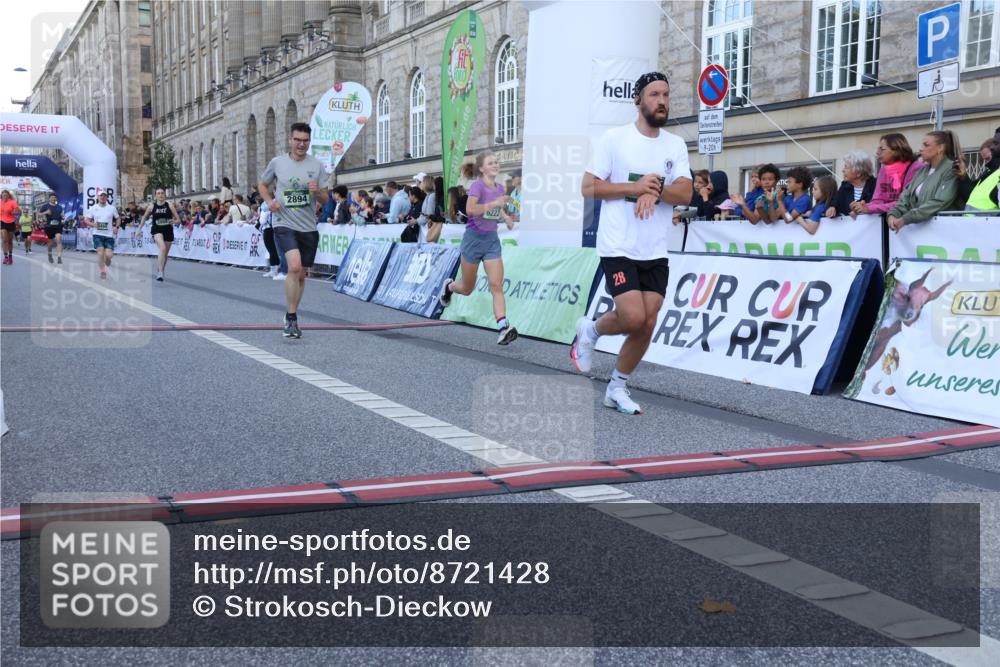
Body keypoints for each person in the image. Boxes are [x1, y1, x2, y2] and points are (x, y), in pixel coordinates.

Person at [572, 71, 693, 414]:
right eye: (654, 94)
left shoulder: (675, 145)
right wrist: (633, 187)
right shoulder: (615, 139)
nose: (662, 101)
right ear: (638, 100)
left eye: (666, 95)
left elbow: (684, 191)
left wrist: (654, 189)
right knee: (633, 316)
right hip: (619, 245)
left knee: (648, 321)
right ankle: (591, 330)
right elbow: (589, 187)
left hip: (654, 248)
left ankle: (617, 388)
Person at [439, 150, 519, 345]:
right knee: (467, 288)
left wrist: (507, 217)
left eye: (496, 162)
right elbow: (470, 210)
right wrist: (494, 203)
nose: (495, 165)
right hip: (473, 241)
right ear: (482, 168)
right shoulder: (477, 186)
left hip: (491, 240)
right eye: (491, 163)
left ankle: (503, 327)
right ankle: (449, 286)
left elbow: (497, 209)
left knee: (496, 285)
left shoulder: (500, 188)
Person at [258, 122, 328, 338]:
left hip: (307, 226)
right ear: (290, 140)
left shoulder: (316, 165)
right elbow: (262, 184)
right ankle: (291, 318)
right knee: (294, 266)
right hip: (283, 222)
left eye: (305, 141)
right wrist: (269, 201)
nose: (301, 144)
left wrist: (317, 192)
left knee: (302, 274)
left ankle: (292, 312)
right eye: (297, 140)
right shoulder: (278, 162)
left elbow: (325, 199)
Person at [887, 130, 961, 231]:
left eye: (926, 145)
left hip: (945, 231)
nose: (921, 149)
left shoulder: (951, 170)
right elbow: (906, 196)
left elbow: (939, 202)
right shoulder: (922, 171)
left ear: (940, 148)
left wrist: (906, 219)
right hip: (922, 232)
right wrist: (893, 214)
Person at [855, 133, 921, 217]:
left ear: (896, 150)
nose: (877, 152)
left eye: (882, 149)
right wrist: (862, 207)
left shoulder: (915, 168)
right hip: (888, 221)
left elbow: (905, 202)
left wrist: (870, 208)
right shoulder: (883, 169)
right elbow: (878, 200)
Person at [138, 187, 180, 281]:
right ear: (155, 195)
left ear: (164, 195)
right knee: (162, 248)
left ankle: (161, 269)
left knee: (165, 255)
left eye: (162, 193)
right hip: (157, 230)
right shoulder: (152, 207)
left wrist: (173, 221)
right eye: (158, 193)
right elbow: (144, 218)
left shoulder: (169, 205)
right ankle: (160, 272)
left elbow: (178, 220)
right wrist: (138, 229)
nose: (160, 195)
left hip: (168, 230)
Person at [827, 150, 876, 218]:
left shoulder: (875, 185)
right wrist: (832, 207)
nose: (843, 170)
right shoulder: (845, 186)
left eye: (846, 167)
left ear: (858, 172)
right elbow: (836, 201)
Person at [85, 191, 120, 279]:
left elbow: (118, 218)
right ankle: (103, 271)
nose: (103, 197)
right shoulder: (93, 208)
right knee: (100, 252)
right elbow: (86, 220)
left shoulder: (112, 208)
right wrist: (93, 225)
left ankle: (107, 259)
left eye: (104, 196)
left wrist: (116, 226)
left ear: (107, 197)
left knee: (109, 255)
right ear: (98, 197)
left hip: (109, 235)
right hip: (97, 234)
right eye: (101, 195)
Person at [966, 139, 999, 211]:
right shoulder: (987, 172)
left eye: (988, 158)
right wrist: (963, 176)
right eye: (985, 160)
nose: (987, 163)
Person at [37, 193, 65, 264]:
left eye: (55, 197)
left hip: (58, 226)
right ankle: (50, 254)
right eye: (52, 197)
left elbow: (62, 215)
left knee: (59, 239)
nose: (53, 199)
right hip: (49, 226)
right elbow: (38, 214)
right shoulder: (45, 206)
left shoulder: (59, 207)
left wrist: (63, 216)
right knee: (51, 243)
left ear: (56, 199)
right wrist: (46, 212)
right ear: (49, 199)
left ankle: (59, 257)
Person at [1, 190, 20, 265]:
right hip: (2, 222)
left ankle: (10, 256)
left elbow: (19, 212)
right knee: (4, 239)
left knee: (10, 241)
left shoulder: (12, 202)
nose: (4, 196)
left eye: (6, 195)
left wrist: (12, 212)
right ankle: (5, 257)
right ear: (1, 196)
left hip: (11, 222)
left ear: (8, 196)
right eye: (3, 195)